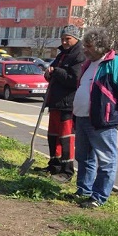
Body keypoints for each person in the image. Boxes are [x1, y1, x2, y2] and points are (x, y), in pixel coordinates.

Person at [72, 26, 118, 209]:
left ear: (100, 46)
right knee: (84, 158)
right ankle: (84, 189)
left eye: (88, 46)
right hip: (82, 118)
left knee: (106, 161)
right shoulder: (88, 63)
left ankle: (98, 197)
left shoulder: (115, 63)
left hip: (102, 122)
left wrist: (115, 116)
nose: (85, 49)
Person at [41, 25, 86, 183]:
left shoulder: (79, 54)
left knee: (66, 138)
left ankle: (67, 170)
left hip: (68, 104)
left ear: (76, 38)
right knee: (53, 135)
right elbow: (53, 71)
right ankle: (54, 165)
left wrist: (56, 71)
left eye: (68, 39)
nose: (65, 42)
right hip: (55, 102)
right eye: (63, 39)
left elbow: (75, 79)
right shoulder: (62, 54)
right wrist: (49, 73)